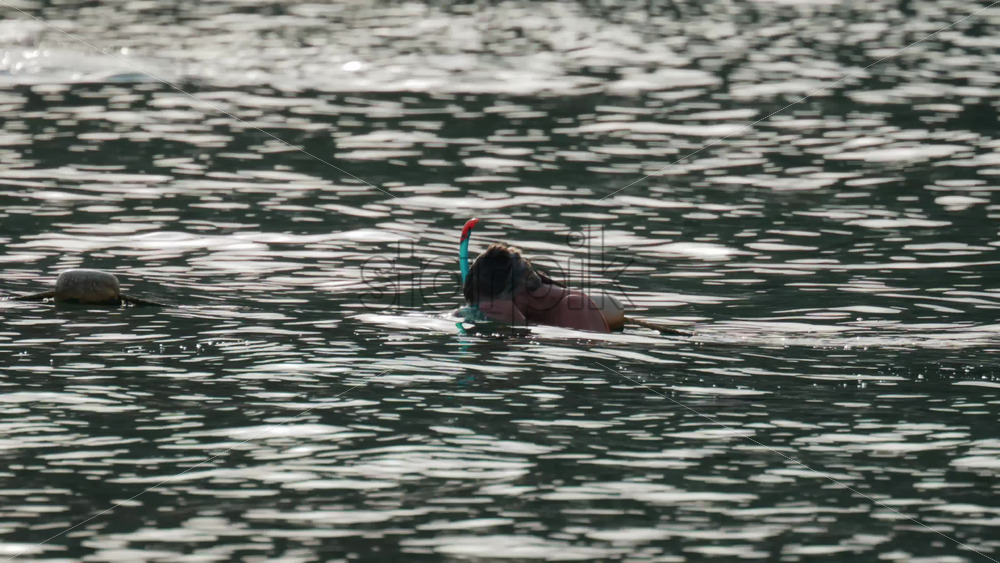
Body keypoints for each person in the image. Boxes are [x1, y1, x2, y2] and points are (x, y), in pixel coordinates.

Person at [462, 242, 621, 333]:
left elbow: (571, 365)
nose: (488, 315)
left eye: (493, 310)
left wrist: (520, 325)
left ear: (519, 295)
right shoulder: (529, 311)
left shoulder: (574, 307)